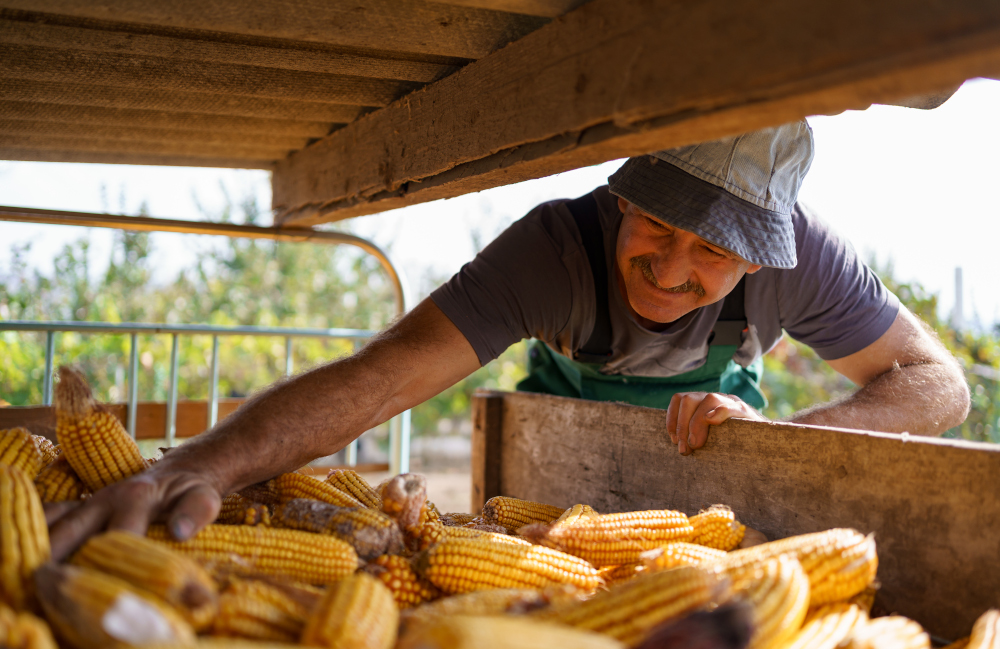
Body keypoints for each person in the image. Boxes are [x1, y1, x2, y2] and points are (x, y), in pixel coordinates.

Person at [46, 121, 970, 559]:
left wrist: (783, 440)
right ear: (621, 194)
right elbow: (381, 378)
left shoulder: (803, 259)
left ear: (763, 251)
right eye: (656, 223)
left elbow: (939, 386)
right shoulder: (550, 251)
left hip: (715, 511)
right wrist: (201, 464)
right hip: (549, 504)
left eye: (716, 248)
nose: (673, 267)